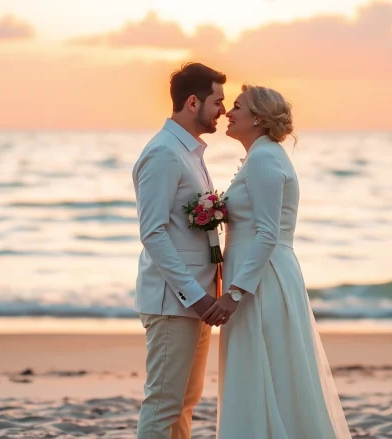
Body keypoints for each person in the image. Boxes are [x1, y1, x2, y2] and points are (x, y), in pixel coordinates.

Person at [202, 84, 353, 438]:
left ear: (257, 117)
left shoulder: (266, 159)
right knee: (262, 370)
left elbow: (268, 234)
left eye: (236, 106)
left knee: (263, 370)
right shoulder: (261, 156)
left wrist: (234, 294)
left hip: (262, 281)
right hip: (258, 274)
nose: (228, 112)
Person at [131, 62, 227, 439]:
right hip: (175, 301)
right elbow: (152, 233)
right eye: (217, 101)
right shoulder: (163, 154)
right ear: (192, 102)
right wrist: (196, 297)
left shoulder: (189, 152)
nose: (222, 109)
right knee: (163, 403)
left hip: (196, 298)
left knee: (185, 401)